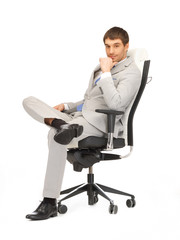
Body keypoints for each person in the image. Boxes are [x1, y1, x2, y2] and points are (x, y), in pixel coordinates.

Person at [23, 26, 141, 220]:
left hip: (101, 125)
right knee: (29, 101)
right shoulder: (99, 68)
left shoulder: (131, 73)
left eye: (116, 46)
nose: (111, 51)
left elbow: (116, 104)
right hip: (76, 119)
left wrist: (105, 73)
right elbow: (89, 101)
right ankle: (61, 124)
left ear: (126, 46)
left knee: (55, 136)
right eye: (107, 46)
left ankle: (49, 202)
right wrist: (67, 106)